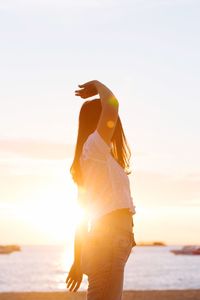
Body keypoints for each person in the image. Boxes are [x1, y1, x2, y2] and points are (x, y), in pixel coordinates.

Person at [66, 80, 136, 300]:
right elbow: (112, 106)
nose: (114, 124)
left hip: (109, 241)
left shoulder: (96, 159)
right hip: (109, 241)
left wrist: (78, 261)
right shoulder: (94, 149)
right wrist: (97, 85)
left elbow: (81, 215)